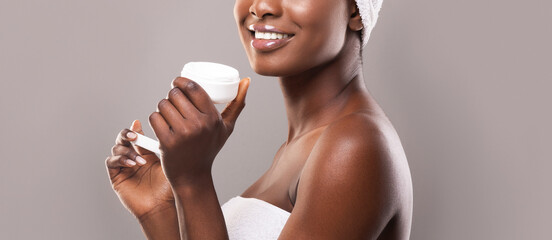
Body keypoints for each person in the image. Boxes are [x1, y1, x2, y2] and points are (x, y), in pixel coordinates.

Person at [105, 0, 413, 239]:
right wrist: (158, 210)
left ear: (355, 11)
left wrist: (192, 182)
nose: (262, 6)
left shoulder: (355, 145)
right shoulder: (308, 144)